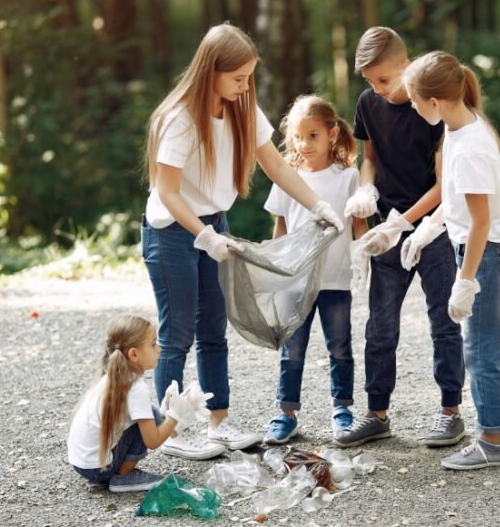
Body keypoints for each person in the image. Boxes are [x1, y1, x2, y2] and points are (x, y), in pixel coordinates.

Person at [141, 24, 344, 460]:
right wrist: (205, 236)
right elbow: (168, 193)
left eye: (249, 77)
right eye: (237, 78)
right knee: (177, 333)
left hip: (214, 222)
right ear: (210, 71)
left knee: (214, 329)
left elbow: (276, 165)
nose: (245, 86)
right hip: (172, 230)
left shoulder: (242, 108)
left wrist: (317, 205)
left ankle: (219, 425)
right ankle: (168, 430)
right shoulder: (177, 119)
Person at [402, 50, 500, 470]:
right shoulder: (459, 127)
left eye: (414, 101)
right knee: (493, 338)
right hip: (483, 247)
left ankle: (491, 440)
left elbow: (481, 223)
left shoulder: (468, 146)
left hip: (488, 254)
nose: (412, 107)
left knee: (479, 351)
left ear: (434, 101)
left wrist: (465, 281)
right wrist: (427, 229)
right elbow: (457, 200)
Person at [335, 27, 466, 448]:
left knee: (443, 321)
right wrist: (366, 189)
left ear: (406, 67)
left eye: (384, 81)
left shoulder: (431, 107)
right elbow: (368, 159)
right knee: (380, 325)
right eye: (370, 82)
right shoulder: (369, 103)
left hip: (433, 230)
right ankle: (377, 414)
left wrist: (402, 224)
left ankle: (450, 411)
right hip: (387, 230)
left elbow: (444, 186)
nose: (377, 89)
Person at [261, 95, 368, 445]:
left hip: (336, 280)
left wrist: (363, 257)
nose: (303, 144)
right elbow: (280, 228)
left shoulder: (348, 177)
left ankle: (342, 410)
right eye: (297, 136)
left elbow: (360, 226)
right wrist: (276, 268)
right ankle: (286, 413)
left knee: (339, 347)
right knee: (292, 350)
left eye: (313, 136)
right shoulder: (286, 177)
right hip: (295, 282)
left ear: (332, 134)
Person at [67, 315, 210, 492]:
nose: (159, 349)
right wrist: (175, 415)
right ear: (134, 354)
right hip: (98, 469)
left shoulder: (114, 377)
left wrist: (171, 410)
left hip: (82, 463)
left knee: (150, 413)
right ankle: (123, 476)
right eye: (153, 344)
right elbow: (152, 441)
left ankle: (119, 471)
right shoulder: (136, 387)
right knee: (147, 418)